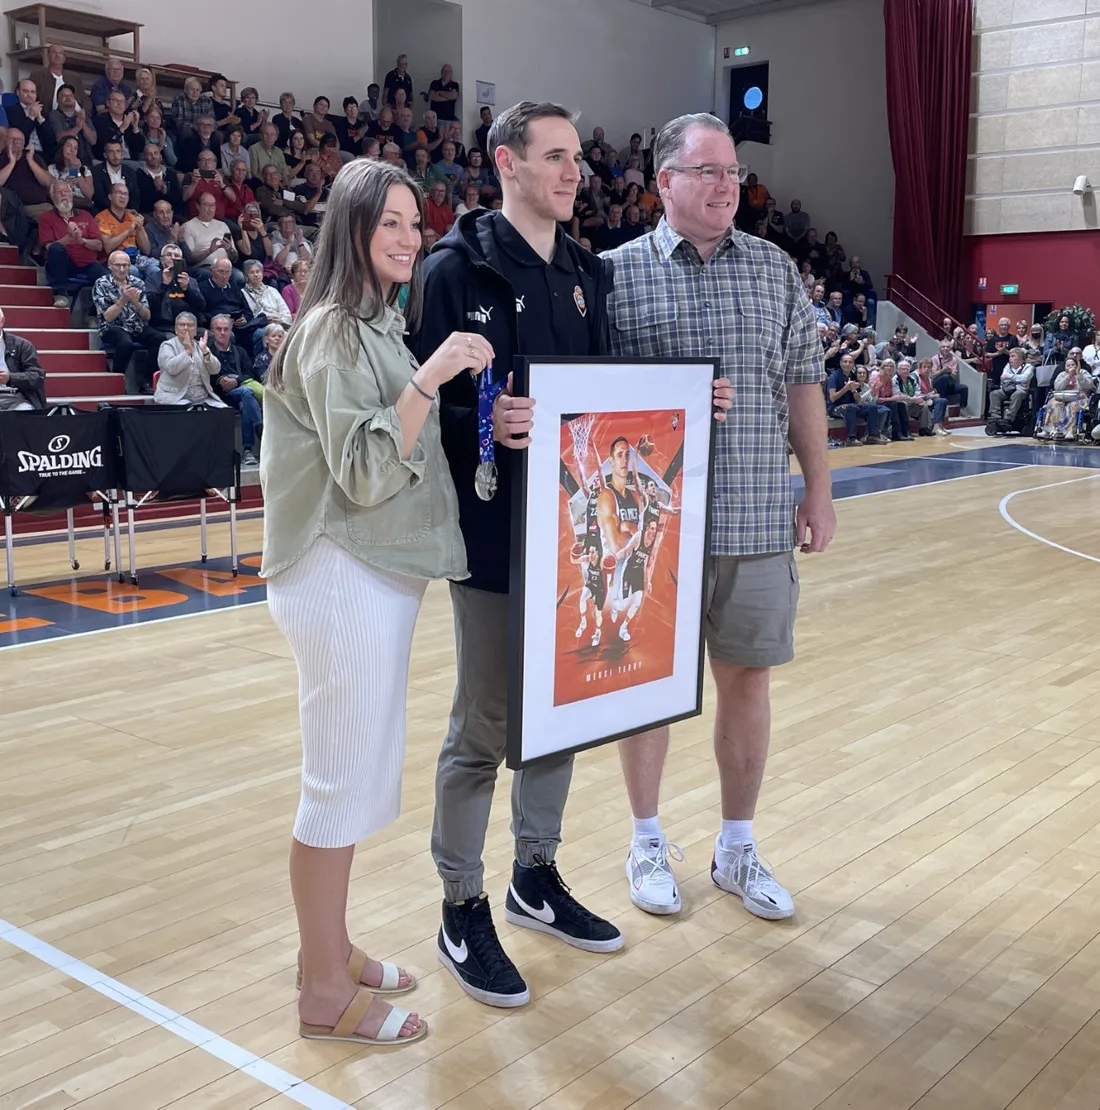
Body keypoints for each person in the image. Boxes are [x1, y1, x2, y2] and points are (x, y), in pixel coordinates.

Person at [406, 101, 628, 1010]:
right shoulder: (452, 269)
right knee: (484, 726)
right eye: (555, 156)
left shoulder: (586, 274)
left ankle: (535, 874)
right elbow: (414, 406)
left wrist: (687, 405)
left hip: (577, 536)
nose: (575, 172)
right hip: (494, 537)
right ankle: (461, 905)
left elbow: (606, 399)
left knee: (562, 711)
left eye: (578, 157)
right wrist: (481, 420)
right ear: (507, 163)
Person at [260, 158, 478, 1048]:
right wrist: (433, 377)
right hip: (338, 573)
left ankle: (331, 948)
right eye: (389, 221)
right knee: (336, 784)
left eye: (414, 223)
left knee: (356, 775)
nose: (408, 237)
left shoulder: (377, 328)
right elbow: (362, 469)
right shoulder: (331, 332)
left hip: (372, 573)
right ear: (351, 230)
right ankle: (321, 991)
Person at [603, 112, 833, 921]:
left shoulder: (774, 270)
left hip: (755, 514)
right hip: (649, 529)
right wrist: (669, 402)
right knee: (646, 690)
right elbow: (590, 404)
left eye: (732, 172)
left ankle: (737, 848)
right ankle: (645, 841)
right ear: (664, 180)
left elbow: (802, 383)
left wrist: (818, 487)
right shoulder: (613, 275)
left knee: (747, 680)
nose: (727, 185)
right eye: (708, 171)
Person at [0, 307, 46, 409]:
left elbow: (37, 377)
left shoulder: (22, 345)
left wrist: (10, 378)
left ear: (2, 321)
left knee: (25, 411)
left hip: (17, 397)